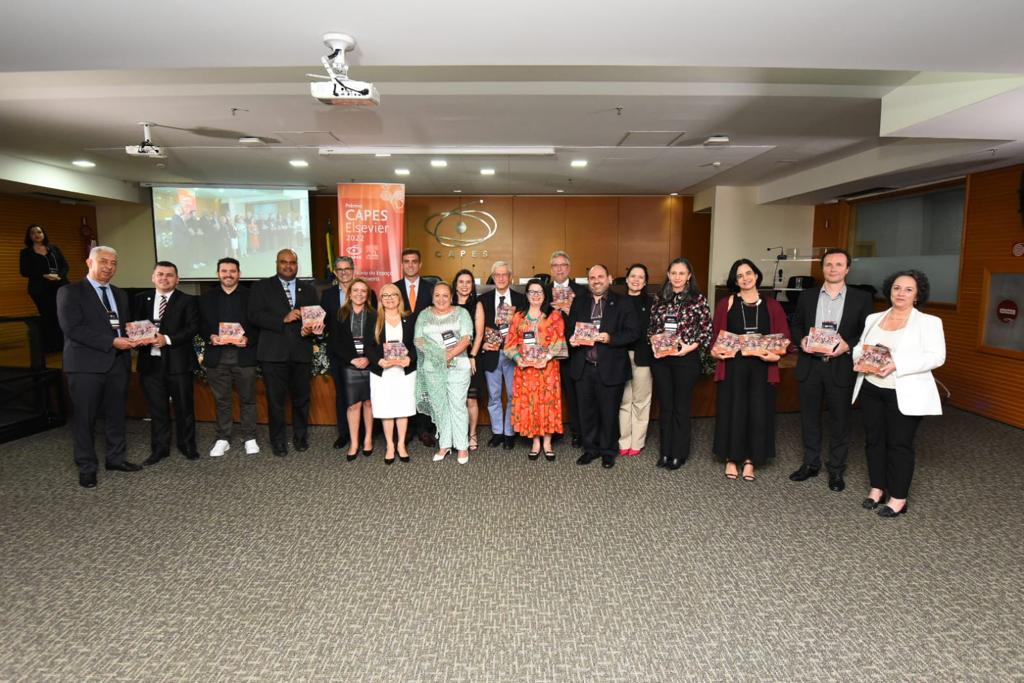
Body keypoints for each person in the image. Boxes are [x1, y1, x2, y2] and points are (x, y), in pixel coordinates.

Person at [852, 270, 945, 518]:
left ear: (917, 295)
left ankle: (899, 497)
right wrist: (858, 359)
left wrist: (898, 364)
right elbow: (861, 346)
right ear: (889, 290)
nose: (900, 293)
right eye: (896, 288)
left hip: (903, 391)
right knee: (874, 441)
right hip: (871, 388)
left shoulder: (929, 322)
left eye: (908, 289)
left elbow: (937, 357)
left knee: (899, 445)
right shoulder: (874, 317)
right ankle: (877, 488)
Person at [55, 246, 143, 488]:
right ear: (89, 262)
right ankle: (86, 466)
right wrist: (112, 341)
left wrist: (138, 336)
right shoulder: (69, 292)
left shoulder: (120, 294)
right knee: (85, 418)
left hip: (117, 363)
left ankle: (116, 458)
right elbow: (73, 329)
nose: (109, 267)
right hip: (85, 366)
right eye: (103, 261)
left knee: (116, 415)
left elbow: (122, 327)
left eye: (114, 263)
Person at [789, 248, 873, 492]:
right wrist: (801, 340)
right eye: (828, 264)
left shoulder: (861, 298)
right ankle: (810, 463)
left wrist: (848, 344)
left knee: (840, 421)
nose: (833, 269)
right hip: (811, 365)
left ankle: (836, 470)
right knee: (809, 418)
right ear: (822, 268)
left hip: (840, 366)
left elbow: (867, 333)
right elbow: (796, 324)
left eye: (838, 264)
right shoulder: (807, 296)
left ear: (847, 269)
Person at [711, 259, 791, 482]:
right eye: (739, 276)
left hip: (762, 367)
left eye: (749, 273)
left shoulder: (772, 305)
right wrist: (716, 353)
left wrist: (776, 354)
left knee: (758, 412)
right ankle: (730, 457)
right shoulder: (726, 303)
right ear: (734, 281)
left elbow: (784, 338)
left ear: (756, 275)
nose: (745, 278)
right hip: (733, 366)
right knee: (732, 410)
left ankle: (750, 460)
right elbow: (715, 338)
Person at [248, 249, 323, 457]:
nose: (288, 266)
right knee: (276, 401)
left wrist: (312, 327)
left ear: (297, 265)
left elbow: (314, 316)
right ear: (277, 263)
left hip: (301, 352)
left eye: (292, 262)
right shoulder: (262, 287)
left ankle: (300, 438)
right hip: (273, 354)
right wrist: (283, 318)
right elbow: (253, 316)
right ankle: (278, 441)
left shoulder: (308, 289)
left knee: (302, 399)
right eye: (283, 262)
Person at [567, 264, 640, 469]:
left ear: (609, 278)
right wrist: (571, 339)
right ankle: (590, 449)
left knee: (609, 412)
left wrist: (610, 338)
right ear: (588, 280)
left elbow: (633, 332)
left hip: (610, 366)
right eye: (592, 277)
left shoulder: (623, 302)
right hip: (584, 365)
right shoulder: (579, 301)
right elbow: (570, 328)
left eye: (600, 276)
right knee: (586, 411)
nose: (596, 280)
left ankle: (608, 451)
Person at [132, 261, 201, 464]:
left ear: (177, 279)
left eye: (169, 275)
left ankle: (187, 444)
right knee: (157, 408)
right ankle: (160, 448)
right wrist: (137, 338)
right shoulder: (140, 299)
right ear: (153, 277)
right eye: (160, 274)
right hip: (150, 364)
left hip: (178, 363)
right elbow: (134, 326)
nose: (164, 278)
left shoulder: (188, 300)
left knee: (184, 407)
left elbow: (192, 328)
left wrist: (167, 339)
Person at [647, 258, 713, 470]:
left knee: (681, 407)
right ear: (668, 274)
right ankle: (666, 451)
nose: (677, 277)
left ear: (689, 276)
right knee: (666, 407)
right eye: (673, 273)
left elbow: (706, 331)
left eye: (681, 273)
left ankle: (679, 453)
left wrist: (689, 347)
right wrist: (655, 344)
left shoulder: (697, 299)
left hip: (686, 358)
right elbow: (651, 328)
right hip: (662, 360)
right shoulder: (660, 298)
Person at [200, 257, 260, 458]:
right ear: (218, 274)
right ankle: (223, 438)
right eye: (224, 271)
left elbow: (259, 324)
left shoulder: (252, 296)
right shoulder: (207, 297)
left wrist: (248, 338)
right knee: (221, 399)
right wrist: (210, 335)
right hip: (217, 356)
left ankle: (250, 436)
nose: (228, 274)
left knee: (248, 399)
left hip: (244, 355)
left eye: (232, 271)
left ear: (239, 274)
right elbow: (199, 324)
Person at [505, 279, 567, 461]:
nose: (536, 295)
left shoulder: (554, 316)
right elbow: (509, 343)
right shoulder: (518, 317)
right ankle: (535, 441)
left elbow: (559, 342)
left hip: (547, 370)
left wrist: (546, 358)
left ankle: (547, 442)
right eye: (532, 292)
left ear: (545, 295)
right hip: (526, 372)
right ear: (526, 295)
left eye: (539, 292)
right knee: (531, 404)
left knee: (547, 403)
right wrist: (518, 359)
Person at [414, 282, 474, 464]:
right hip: (432, 367)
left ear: (451, 296)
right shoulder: (424, 314)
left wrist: (449, 355)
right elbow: (418, 340)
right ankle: (445, 443)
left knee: (457, 404)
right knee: (440, 406)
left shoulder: (461, 313)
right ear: (432, 297)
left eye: (445, 295)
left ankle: (462, 446)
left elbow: (466, 339)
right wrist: (438, 356)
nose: (441, 299)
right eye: (437, 295)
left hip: (458, 366)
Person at [322, 256, 377, 450]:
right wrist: (352, 358)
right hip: (345, 361)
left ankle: (367, 438)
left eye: (363, 291)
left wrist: (368, 358)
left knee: (369, 401)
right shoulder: (336, 307)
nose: (359, 294)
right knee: (347, 399)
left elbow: (378, 337)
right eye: (340, 269)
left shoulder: (374, 311)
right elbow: (333, 337)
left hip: (369, 361)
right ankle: (347, 436)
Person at [365, 283, 417, 464]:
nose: (389, 298)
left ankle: (401, 444)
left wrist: (410, 358)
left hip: (404, 372)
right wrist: (379, 361)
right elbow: (368, 346)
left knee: (403, 408)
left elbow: (417, 343)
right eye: (385, 295)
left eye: (393, 294)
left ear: (399, 297)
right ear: (381, 299)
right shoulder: (373, 318)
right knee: (386, 409)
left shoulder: (409, 318)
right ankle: (389, 445)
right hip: (383, 372)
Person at [480, 261, 526, 451]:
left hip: (513, 355)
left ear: (510, 277)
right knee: (494, 396)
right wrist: (483, 343)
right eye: (497, 275)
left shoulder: (520, 299)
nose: (500, 278)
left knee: (514, 395)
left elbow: (526, 327)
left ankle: (509, 432)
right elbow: (479, 327)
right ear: (492, 277)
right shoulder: (483, 299)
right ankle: (497, 432)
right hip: (492, 353)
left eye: (504, 275)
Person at [392, 248, 436, 447]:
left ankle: (424, 429)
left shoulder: (431, 288)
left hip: (426, 347)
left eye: (414, 261)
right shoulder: (393, 289)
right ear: (402, 264)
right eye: (406, 261)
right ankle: (406, 429)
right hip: (400, 347)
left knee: (424, 389)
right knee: (404, 389)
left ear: (420, 264)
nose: (410, 265)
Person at [549, 250, 588, 446]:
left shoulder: (581, 291)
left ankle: (578, 432)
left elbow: (586, 321)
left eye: (562, 265)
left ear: (569, 268)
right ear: (551, 269)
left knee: (574, 393)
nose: (559, 269)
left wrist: (569, 310)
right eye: (555, 265)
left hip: (573, 351)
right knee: (549, 392)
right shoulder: (542, 290)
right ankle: (551, 431)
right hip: (548, 352)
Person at [618, 264, 654, 458]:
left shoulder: (652, 303)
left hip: (643, 357)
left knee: (641, 401)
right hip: (620, 357)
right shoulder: (616, 301)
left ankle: (637, 441)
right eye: (633, 276)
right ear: (627, 279)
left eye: (641, 277)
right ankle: (624, 440)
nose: (636, 280)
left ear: (645, 281)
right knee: (624, 400)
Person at [20, 224, 70, 352]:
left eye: (39, 232)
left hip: (59, 285)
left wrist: (59, 275)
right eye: (33, 233)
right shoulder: (26, 252)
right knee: (48, 315)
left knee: (62, 315)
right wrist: (43, 275)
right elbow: (24, 271)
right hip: (40, 289)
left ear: (43, 234)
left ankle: (65, 343)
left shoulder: (53, 248)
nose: (36, 235)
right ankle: (50, 346)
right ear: (29, 236)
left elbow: (65, 265)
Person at [453, 269, 485, 450]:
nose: (465, 285)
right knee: (455, 399)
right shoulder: (448, 304)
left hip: (470, 357)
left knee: (470, 399)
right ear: (455, 285)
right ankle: (458, 433)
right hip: (451, 358)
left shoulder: (477, 304)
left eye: (468, 282)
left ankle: (472, 434)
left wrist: (472, 355)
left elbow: (479, 334)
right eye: (461, 282)